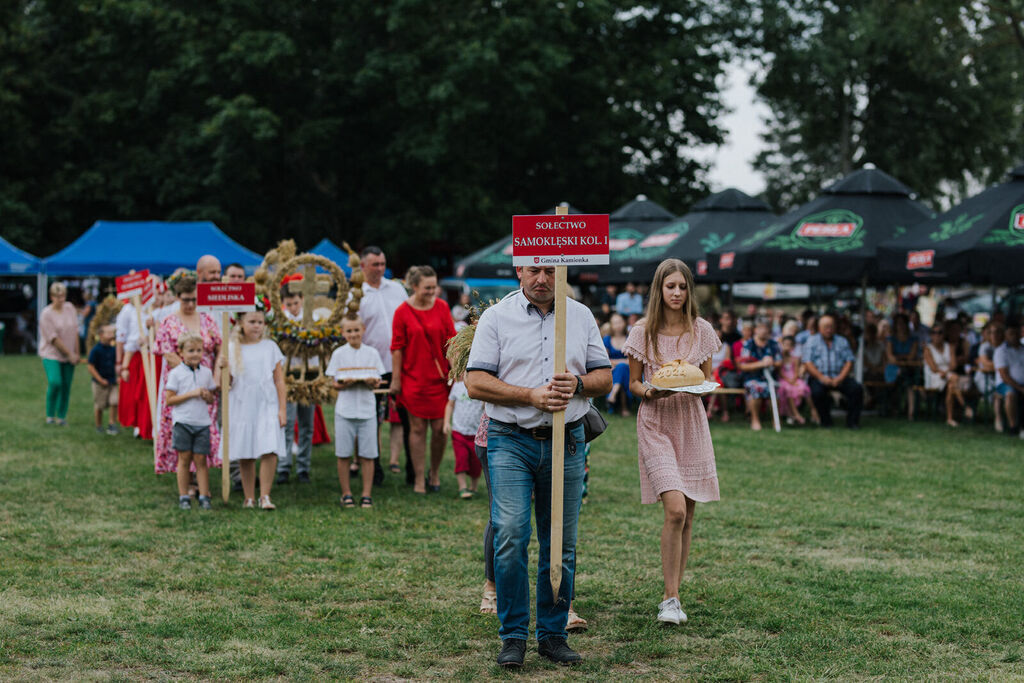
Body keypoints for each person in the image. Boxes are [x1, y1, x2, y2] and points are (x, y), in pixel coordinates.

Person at [465, 265, 611, 668]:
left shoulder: (579, 315)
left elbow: (605, 377)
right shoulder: (497, 317)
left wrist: (579, 384)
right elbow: (475, 381)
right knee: (510, 533)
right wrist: (529, 395)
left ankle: (552, 634)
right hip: (510, 438)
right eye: (534, 270)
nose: (542, 278)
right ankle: (513, 636)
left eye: (551, 269)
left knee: (560, 541)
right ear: (519, 270)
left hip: (568, 441)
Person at [623, 259, 721, 628]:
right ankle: (669, 598)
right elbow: (634, 383)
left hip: (691, 422)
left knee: (689, 515)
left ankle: (675, 594)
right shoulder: (642, 331)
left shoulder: (702, 331)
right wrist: (652, 390)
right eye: (670, 287)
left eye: (682, 287)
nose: (677, 293)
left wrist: (700, 386)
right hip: (655, 422)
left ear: (688, 290)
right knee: (675, 510)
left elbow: (706, 379)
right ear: (658, 290)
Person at [390, 266, 456, 494]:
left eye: (434, 287)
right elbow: (397, 348)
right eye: (427, 287)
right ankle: (419, 478)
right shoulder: (402, 312)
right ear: (415, 286)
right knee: (417, 429)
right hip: (413, 379)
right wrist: (396, 380)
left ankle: (434, 473)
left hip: (439, 379)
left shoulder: (442, 307)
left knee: (440, 429)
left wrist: (456, 370)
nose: (432, 291)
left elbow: (451, 342)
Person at [154, 276, 222, 479]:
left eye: (194, 299)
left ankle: (201, 476)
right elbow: (168, 353)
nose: (190, 304)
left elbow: (219, 349)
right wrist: (191, 375)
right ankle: (187, 477)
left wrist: (215, 377)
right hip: (180, 382)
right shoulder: (168, 322)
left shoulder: (208, 320)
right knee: (183, 426)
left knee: (203, 428)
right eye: (186, 300)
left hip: (206, 384)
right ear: (177, 298)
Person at [221, 310, 287, 509]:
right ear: (241, 323)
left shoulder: (270, 347)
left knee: (270, 448)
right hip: (243, 403)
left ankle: (265, 495)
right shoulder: (232, 347)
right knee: (246, 450)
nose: (257, 326)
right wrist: (223, 368)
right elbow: (227, 383)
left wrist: (282, 408)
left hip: (266, 402)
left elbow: (279, 380)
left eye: (260, 322)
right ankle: (249, 496)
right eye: (252, 322)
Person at [357, 246, 410, 477]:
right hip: (372, 367)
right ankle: (374, 466)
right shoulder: (356, 295)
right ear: (362, 266)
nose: (380, 269)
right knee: (372, 420)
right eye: (375, 264)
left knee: (407, 419)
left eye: (382, 264)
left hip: (401, 364)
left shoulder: (397, 289)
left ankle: (412, 468)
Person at [326, 316, 384, 509]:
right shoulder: (338, 353)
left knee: (368, 454)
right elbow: (333, 382)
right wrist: (345, 383)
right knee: (343, 453)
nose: (353, 334)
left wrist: (371, 382)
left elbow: (378, 380)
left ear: (363, 330)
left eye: (356, 330)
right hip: (345, 409)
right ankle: (346, 493)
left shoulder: (372, 353)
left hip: (367, 409)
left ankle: (366, 494)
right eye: (349, 331)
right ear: (343, 333)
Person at [164, 333, 218, 510]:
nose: (195, 354)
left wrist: (207, 395)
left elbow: (211, 400)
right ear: (181, 352)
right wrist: (192, 393)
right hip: (183, 422)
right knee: (184, 459)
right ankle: (184, 495)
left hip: (202, 422)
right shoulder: (176, 374)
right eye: (191, 351)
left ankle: (204, 495)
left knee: (201, 459)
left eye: (198, 350)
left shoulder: (207, 373)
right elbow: (170, 400)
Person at [276, 287, 318, 485]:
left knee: (307, 424)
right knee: (287, 423)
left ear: (302, 299)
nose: (293, 307)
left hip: (308, 375)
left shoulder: (312, 318)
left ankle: (304, 467)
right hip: (287, 375)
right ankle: (283, 466)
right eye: (289, 303)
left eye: (296, 303)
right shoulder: (281, 320)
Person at [803, 315, 863, 429]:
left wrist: (840, 378)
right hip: (819, 377)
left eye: (831, 327)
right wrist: (821, 378)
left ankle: (852, 422)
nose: (828, 330)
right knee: (817, 392)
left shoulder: (842, 341)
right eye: (826, 327)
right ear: (819, 328)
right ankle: (826, 421)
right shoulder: (812, 341)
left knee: (856, 389)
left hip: (839, 376)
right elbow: (807, 362)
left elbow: (849, 361)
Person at [39, 282, 80, 426]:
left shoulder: (70, 308)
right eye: (57, 296)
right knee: (55, 382)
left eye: (63, 296)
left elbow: (75, 331)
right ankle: (50, 415)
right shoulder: (46, 314)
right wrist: (69, 354)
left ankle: (61, 416)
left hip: (70, 354)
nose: (61, 299)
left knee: (66, 385)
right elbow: (53, 339)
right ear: (51, 297)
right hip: (51, 354)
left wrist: (76, 352)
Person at [444, 374, 484, 499]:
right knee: (461, 458)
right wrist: (446, 422)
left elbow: (485, 407)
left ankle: (474, 487)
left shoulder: (480, 388)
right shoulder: (457, 386)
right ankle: (462, 487)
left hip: (476, 433)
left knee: (476, 462)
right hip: (459, 431)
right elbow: (450, 405)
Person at [737, 320, 781, 432]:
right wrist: (761, 363)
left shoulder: (773, 344)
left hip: (770, 378)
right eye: (760, 328)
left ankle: (775, 420)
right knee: (756, 388)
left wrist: (772, 362)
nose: (763, 331)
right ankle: (755, 419)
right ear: (755, 330)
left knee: (775, 391)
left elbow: (779, 362)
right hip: (752, 378)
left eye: (765, 328)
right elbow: (743, 366)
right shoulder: (748, 345)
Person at [924, 325, 966, 427]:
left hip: (948, 374)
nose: (937, 335)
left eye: (940, 332)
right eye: (934, 332)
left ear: (944, 334)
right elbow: (933, 368)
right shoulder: (928, 349)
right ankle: (965, 406)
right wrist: (943, 372)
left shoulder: (950, 347)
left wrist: (946, 372)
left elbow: (953, 364)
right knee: (953, 379)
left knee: (951, 385)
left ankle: (950, 418)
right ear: (931, 335)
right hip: (934, 376)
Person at [886, 313, 921, 420]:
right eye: (898, 323)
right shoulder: (891, 339)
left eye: (902, 323)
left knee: (908, 379)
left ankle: (910, 412)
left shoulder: (913, 339)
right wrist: (902, 359)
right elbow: (890, 357)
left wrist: (899, 358)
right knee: (902, 377)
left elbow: (911, 357)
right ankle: (896, 408)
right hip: (893, 368)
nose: (900, 326)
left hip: (909, 368)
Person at [87, 323, 119, 435]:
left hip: (112, 381)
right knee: (99, 405)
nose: (111, 335)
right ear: (101, 335)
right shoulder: (96, 350)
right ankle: (99, 425)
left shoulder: (114, 349)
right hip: (99, 383)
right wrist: (100, 379)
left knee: (114, 401)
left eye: (112, 333)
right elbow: (90, 367)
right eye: (108, 333)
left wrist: (118, 376)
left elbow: (116, 364)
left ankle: (112, 423)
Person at [994, 320, 1024, 435]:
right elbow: (1004, 376)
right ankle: (1013, 427)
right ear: (1006, 335)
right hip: (1005, 384)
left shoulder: (1022, 349)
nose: (1014, 336)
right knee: (1010, 394)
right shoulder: (1001, 351)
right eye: (1011, 333)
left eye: (1016, 333)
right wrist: (1020, 388)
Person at [777, 335, 811, 424]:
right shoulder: (779, 358)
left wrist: (794, 380)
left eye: (789, 345)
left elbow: (796, 371)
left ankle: (811, 412)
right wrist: (789, 381)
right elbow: (780, 372)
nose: (787, 347)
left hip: (794, 379)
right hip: (784, 380)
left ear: (793, 347)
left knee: (802, 388)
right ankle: (795, 414)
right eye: (785, 345)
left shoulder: (794, 359)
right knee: (788, 389)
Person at [603, 313, 632, 416]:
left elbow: (632, 361)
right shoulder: (607, 339)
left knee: (622, 368)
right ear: (611, 325)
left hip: (629, 370)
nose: (618, 325)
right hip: (611, 371)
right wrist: (622, 361)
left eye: (620, 322)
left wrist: (615, 362)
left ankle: (612, 395)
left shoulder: (630, 338)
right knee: (621, 369)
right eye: (615, 323)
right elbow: (605, 359)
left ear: (624, 323)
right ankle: (624, 408)